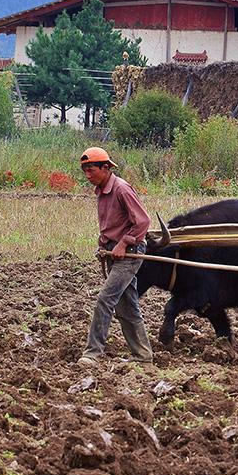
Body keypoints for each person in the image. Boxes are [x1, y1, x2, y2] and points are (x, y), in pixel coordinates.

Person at [77, 147, 154, 366]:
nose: (87, 175)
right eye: (85, 170)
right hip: (113, 252)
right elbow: (112, 224)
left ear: (106, 167)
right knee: (126, 305)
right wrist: (104, 244)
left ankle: (92, 353)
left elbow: (143, 221)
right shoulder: (101, 190)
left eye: (91, 170)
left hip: (129, 253)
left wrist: (123, 242)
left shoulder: (121, 189)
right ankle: (143, 356)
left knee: (105, 299)